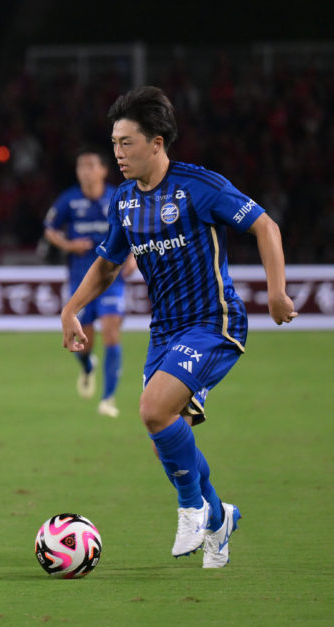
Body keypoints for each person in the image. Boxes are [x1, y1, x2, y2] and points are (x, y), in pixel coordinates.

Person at [60, 86, 297, 568]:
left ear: (157, 143)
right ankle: (219, 517)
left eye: (126, 143)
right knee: (164, 442)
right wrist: (71, 310)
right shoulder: (124, 200)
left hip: (213, 322)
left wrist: (276, 291)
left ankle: (191, 508)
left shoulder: (198, 186)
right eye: (113, 143)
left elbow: (265, 226)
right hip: (165, 331)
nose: (117, 153)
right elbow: (108, 263)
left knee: (153, 410)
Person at [43, 148, 136, 417]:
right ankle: (87, 366)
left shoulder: (117, 197)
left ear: (103, 170)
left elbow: (135, 228)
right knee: (83, 343)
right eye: (81, 166)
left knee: (111, 332)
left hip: (111, 277)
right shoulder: (69, 200)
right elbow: (50, 229)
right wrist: (69, 245)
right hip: (81, 279)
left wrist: (132, 257)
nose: (85, 171)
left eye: (91, 165)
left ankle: (108, 399)